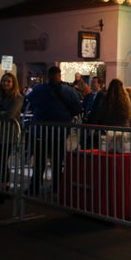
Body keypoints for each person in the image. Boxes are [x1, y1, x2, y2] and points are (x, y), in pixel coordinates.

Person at [25, 65, 83, 195]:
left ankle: (34, 187)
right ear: (60, 75)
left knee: (40, 161)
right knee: (57, 161)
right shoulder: (69, 90)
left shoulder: (39, 89)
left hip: (41, 131)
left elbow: (29, 101)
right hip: (60, 131)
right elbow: (77, 108)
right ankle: (56, 187)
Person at [0, 72, 24, 205]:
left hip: (8, 134)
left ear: (13, 83)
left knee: (3, 160)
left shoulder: (17, 98)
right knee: (1, 161)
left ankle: (3, 189)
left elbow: (10, 114)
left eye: (8, 81)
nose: (5, 83)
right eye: (4, 81)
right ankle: (5, 187)